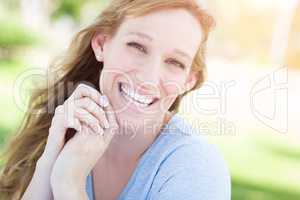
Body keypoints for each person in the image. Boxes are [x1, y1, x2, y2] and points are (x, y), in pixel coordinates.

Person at [0, 0, 231, 199]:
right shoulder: (66, 130)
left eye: (174, 62)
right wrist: (50, 156)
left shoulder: (196, 168)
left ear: (188, 81)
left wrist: (69, 186)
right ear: (101, 44)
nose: (148, 78)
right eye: (138, 46)